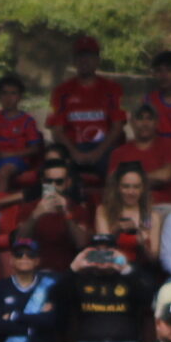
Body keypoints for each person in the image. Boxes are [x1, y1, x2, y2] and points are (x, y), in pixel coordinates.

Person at [50, 235, 149, 342]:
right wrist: (74, 268)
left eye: (108, 252)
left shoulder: (130, 275)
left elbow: (147, 297)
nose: (102, 256)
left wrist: (125, 269)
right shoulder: (79, 278)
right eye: (97, 252)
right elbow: (55, 297)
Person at [49, 35, 124, 180]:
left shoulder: (112, 89)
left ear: (97, 60)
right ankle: (51, 202)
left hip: (103, 148)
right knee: (51, 166)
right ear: (74, 61)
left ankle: (112, 203)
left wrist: (98, 152)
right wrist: (74, 153)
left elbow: (117, 127)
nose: (84, 60)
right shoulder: (61, 91)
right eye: (80, 56)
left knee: (118, 169)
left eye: (89, 56)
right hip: (73, 147)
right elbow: (57, 130)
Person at [16, 159, 89, 273]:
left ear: (67, 183)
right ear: (42, 182)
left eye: (59, 182)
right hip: (35, 273)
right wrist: (36, 215)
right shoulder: (29, 207)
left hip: (68, 273)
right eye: (49, 182)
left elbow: (82, 244)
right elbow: (19, 242)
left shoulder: (76, 208)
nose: (53, 186)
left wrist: (66, 212)